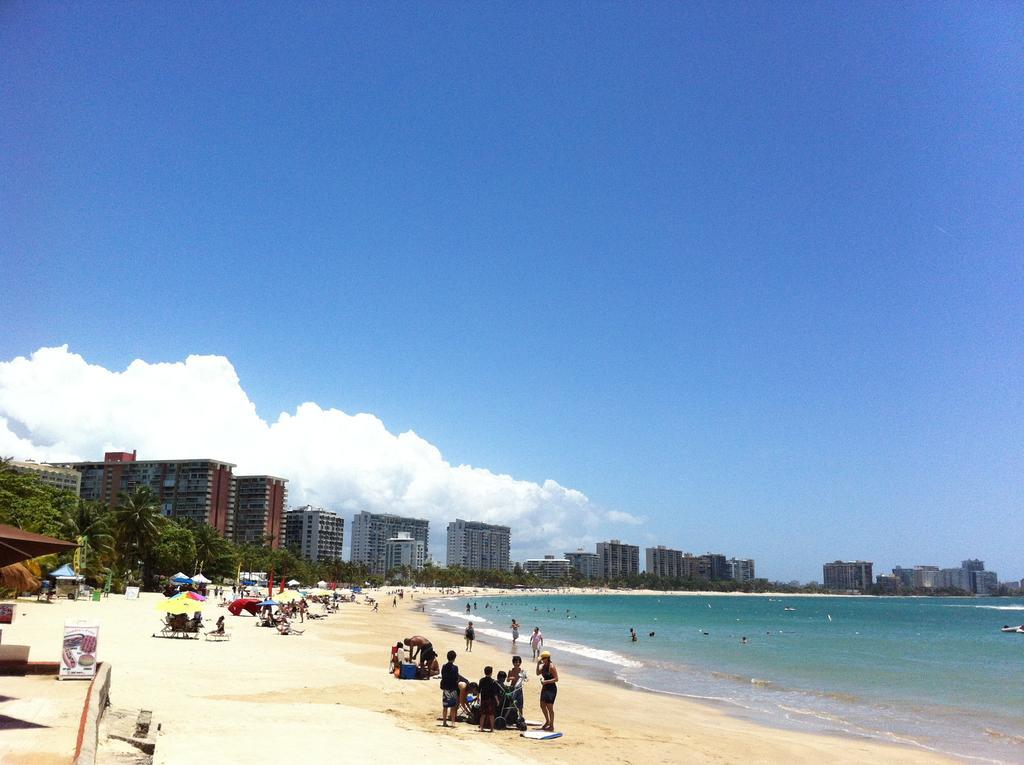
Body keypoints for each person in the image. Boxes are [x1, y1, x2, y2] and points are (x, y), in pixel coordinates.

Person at [536, 650, 558, 731]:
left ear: (548, 658)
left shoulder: (551, 667)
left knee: (550, 707)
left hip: (551, 688)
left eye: (544, 658)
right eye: (542, 658)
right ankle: (547, 721)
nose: (543, 659)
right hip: (545, 688)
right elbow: (538, 673)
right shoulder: (543, 665)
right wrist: (538, 663)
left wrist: (546, 681)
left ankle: (551, 725)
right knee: (542, 705)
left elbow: (556, 679)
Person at [440, 650, 460, 728]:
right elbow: (456, 678)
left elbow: (443, 675)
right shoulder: (455, 668)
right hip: (453, 688)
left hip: (446, 688)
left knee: (445, 706)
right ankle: (452, 722)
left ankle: (444, 722)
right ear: (454, 658)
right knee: (453, 706)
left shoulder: (444, 666)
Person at [477, 666, 499, 732]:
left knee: (483, 714)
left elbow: (479, 690)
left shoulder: (481, 680)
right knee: (491, 714)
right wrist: (497, 700)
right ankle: (492, 729)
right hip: (490, 700)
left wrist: (478, 698)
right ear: (491, 673)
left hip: (483, 699)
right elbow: (495, 693)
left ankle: (481, 728)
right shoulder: (493, 682)